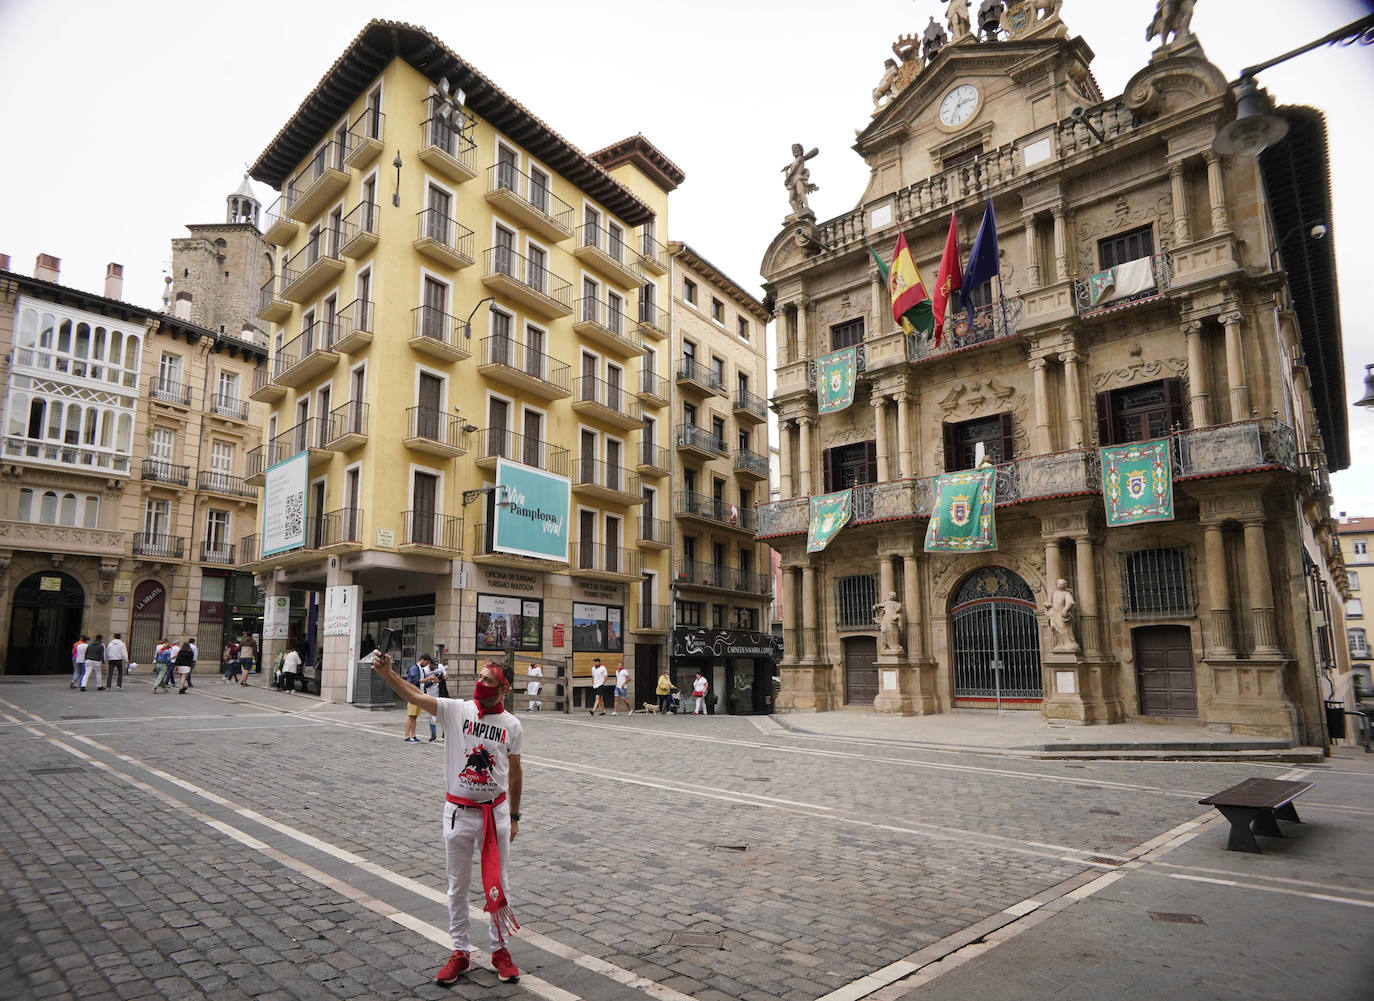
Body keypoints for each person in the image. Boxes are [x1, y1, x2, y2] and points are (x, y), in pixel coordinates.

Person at [372, 655, 524, 986]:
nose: (480, 684)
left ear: (504, 689)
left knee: (499, 883)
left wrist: (513, 816)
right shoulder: (457, 710)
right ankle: (460, 951)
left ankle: (500, 950)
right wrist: (388, 674)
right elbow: (415, 696)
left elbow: (515, 771)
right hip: (458, 813)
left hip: (494, 814)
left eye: (488, 680)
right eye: (479, 677)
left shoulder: (512, 725)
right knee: (457, 885)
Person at [781, 143, 820, 217]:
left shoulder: (800, 158)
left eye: (796, 148)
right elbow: (790, 172)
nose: (794, 150)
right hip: (792, 182)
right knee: (791, 200)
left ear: (801, 150)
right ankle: (797, 212)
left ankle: (806, 206)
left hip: (798, 178)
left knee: (800, 193)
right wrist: (786, 171)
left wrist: (788, 177)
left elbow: (795, 168)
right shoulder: (792, 163)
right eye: (793, 149)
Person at [418, 654, 446, 743]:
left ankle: (445, 733)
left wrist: (442, 678)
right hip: (430, 695)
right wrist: (431, 680)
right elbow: (421, 681)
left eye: (435, 667)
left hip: (440, 694)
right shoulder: (424, 670)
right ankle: (433, 735)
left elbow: (446, 676)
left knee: (442, 715)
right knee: (432, 716)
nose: (434, 669)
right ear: (429, 664)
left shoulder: (441, 667)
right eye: (432, 667)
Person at [403, 657, 425, 740]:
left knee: (414, 716)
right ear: (423, 660)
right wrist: (427, 679)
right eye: (426, 663)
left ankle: (413, 735)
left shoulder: (420, 669)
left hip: (418, 694)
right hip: (413, 694)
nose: (426, 665)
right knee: (411, 715)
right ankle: (407, 736)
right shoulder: (414, 668)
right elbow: (414, 681)